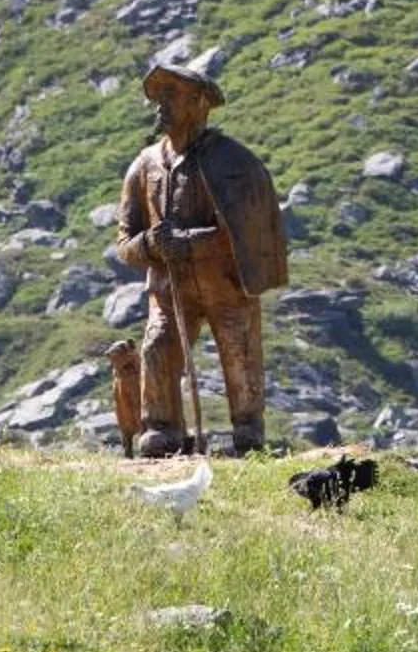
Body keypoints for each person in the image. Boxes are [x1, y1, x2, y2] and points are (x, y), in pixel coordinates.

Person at [109, 61, 287, 457]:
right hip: (169, 290)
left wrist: (191, 242)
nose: (160, 106)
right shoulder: (143, 166)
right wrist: (151, 245)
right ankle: (161, 427)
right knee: (157, 346)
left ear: (199, 103)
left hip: (226, 286)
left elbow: (250, 233)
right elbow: (124, 241)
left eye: (171, 96)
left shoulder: (235, 164)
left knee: (238, 351)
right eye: (158, 97)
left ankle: (247, 428)